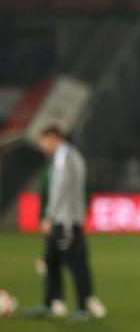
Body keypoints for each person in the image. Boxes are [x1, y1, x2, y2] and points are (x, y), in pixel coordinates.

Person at [24, 125, 106, 321]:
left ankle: (83, 308)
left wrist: (49, 216)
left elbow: (60, 188)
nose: (42, 146)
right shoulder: (72, 156)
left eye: (44, 141)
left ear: (54, 138)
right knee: (51, 260)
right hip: (66, 217)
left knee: (76, 263)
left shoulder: (63, 157)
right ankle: (49, 302)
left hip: (65, 220)